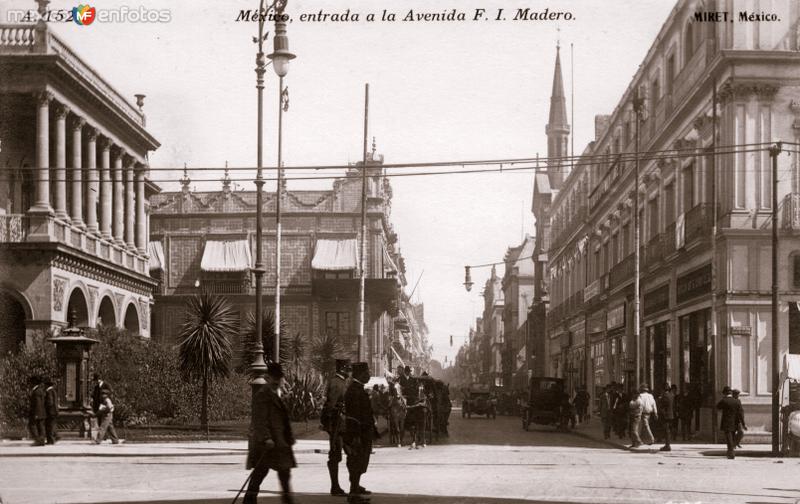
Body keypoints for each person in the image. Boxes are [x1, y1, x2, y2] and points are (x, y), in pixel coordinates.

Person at [245, 363, 296, 504]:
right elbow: (259, 419)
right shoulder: (263, 394)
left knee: (283, 473)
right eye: (275, 378)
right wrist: (266, 438)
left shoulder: (274, 393)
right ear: (269, 378)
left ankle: (287, 500)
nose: (278, 381)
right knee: (260, 473)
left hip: (279, 443)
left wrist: (288, 437)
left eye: (279, 378)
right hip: (268, 444)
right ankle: (249, 500)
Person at [344, 362, 376, 504]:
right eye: (367, 372)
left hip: (362, 432)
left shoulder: (357, 388)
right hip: (358, 433)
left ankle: (356, 486)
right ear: (360, 374)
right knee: (356, 460)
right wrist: (356, 435)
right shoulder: (355, 390)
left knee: (360, 460)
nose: (369, 375)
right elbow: (355, 416)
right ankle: (353, 493)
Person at [320, 358, 350, 496]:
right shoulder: (337, 383)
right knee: (335, 456)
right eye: (348, 369)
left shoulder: (341, 382)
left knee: (347, 454)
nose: (350, 371)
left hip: (343, 425)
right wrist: (330, 427)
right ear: (343, 369)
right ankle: (335, 486)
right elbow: (331, 406)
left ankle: (351, 485)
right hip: (338, 425)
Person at [716, 385, 743, 459]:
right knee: (732, 436)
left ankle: (731, 452)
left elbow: (718, 407)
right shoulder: (736, 401)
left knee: (729, 438)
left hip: (726, 422)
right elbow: (740, 413)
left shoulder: (724, 400)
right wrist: (743, 423)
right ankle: (731, 451)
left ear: (724, 393)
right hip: (735, 422)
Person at [28, 375, 46, 446]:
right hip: (41, 412)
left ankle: (38, 440)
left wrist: (36, 414)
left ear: (34, 382)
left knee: (32, 425)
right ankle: (41, 441)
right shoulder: (40, 390)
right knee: (40, 426)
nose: (30, 384)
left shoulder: (36, 391)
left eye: (31, 382)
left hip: (37, 412)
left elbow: (38, 403)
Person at [658, 383, 674, 452]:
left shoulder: (665, 396)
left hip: (666, 415)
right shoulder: (671, 395)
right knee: (667, 430)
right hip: (670, 415)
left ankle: (667, 445)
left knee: (666, 430)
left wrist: (660, 399)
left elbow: (663, 405)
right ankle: (667, 444)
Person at [44, 378, 59, 445]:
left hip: (50, 411)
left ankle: (50, 440)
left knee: (49, 425)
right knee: (53, 425)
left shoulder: (48, 391)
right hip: (54, 411)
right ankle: (54, 437)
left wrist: (45, 406)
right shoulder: (53, 390)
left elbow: (50, 402)